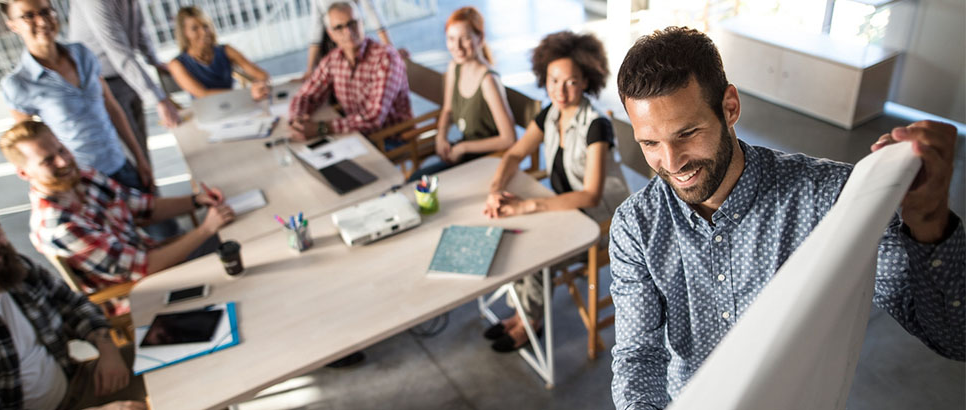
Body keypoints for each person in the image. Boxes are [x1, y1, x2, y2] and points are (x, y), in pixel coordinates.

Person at [609, 27, 964, 409]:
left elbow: (953, 337)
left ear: (730, 107)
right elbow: (638, 356)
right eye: (650, 143)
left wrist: (929, 223)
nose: (672, 162)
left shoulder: (830, 199)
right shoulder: (635, 226)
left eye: (688, 133)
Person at [481, 31, 630, 353]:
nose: (560, 91)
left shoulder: (596, 126)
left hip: (601, 223)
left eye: (571, 82)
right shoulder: (549, 113)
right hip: (568, 210)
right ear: (544, 78)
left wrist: (528, 206)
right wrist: (496, 188)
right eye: (553, 80)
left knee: (535, 251)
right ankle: (523, 313)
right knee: (515, 234)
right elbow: (514, 154)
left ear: (587, 81)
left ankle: (529, 321)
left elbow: (591, 195)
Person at [0, 120, 235, 296]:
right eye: (48, 160)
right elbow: (144, 268)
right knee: (237, 252)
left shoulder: (84, 177)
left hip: (157, 258)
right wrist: (206, 229)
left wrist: (196, 201)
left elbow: (142, 208)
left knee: (238, 234)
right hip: (143, 291)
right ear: (23, 173)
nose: (63, 161)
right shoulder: (60, 226)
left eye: (61, 150)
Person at [0, 192, 147, 410]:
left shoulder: (17, 270)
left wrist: (108, 350)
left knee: (177, 355)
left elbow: (76, 305)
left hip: (80, 382)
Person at [0, 0, 155, 194]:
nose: (42, 21)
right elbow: (29, 149)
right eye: (28, 16)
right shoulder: (18, 84)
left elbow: (111, 107)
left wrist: (140, 158)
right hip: (80, 180)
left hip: (120, 162)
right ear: (12, 25)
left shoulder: (82, 54)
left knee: (164, 223)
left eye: (46, 11)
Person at [68, 0, 183, 167]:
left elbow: (139, 30)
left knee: (141, 149)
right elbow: (118, 50)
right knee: (131, 156)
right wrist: (159, 99)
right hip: (102, 83)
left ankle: (151, 191)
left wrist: (154, 60)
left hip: (127, 77)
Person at [408, 6, 516, 181]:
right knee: (416, 181)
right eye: (451, 38)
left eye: (465, 38)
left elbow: (509, 139)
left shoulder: (488, 81)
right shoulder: (454, 67)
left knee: (420, 183)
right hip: (463, 156)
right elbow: (448, 109)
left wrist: (464, 147)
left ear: (480, 38)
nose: (456, 46)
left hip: (488, 161)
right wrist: (441, 136)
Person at [288, 0, 412, 142]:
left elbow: (374, 118)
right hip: (356, 135)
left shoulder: (386, 58)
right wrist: (296, 119)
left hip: (389, 138)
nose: (347, 32)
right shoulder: (333, 59)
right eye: (339, 28)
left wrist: (320, 128)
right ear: (331, 34)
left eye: (352, 23)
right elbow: (306, 95)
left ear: (362, 23)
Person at [168, 6, 271, 100]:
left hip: (236, 106)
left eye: (205, 26)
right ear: (184, 33)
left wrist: (259, 86)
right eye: (195, 28)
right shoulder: (176, 64)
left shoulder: (226, 50)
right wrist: (247, 94)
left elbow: (261, 75)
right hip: (207, 115)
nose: (203, 32)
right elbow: (203, 94)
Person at [302, 0, 393, 81]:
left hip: (354, 38)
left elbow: (372, 12)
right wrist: (310, 69)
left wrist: (391, 53)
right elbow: (316, 26)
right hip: (331, 41)